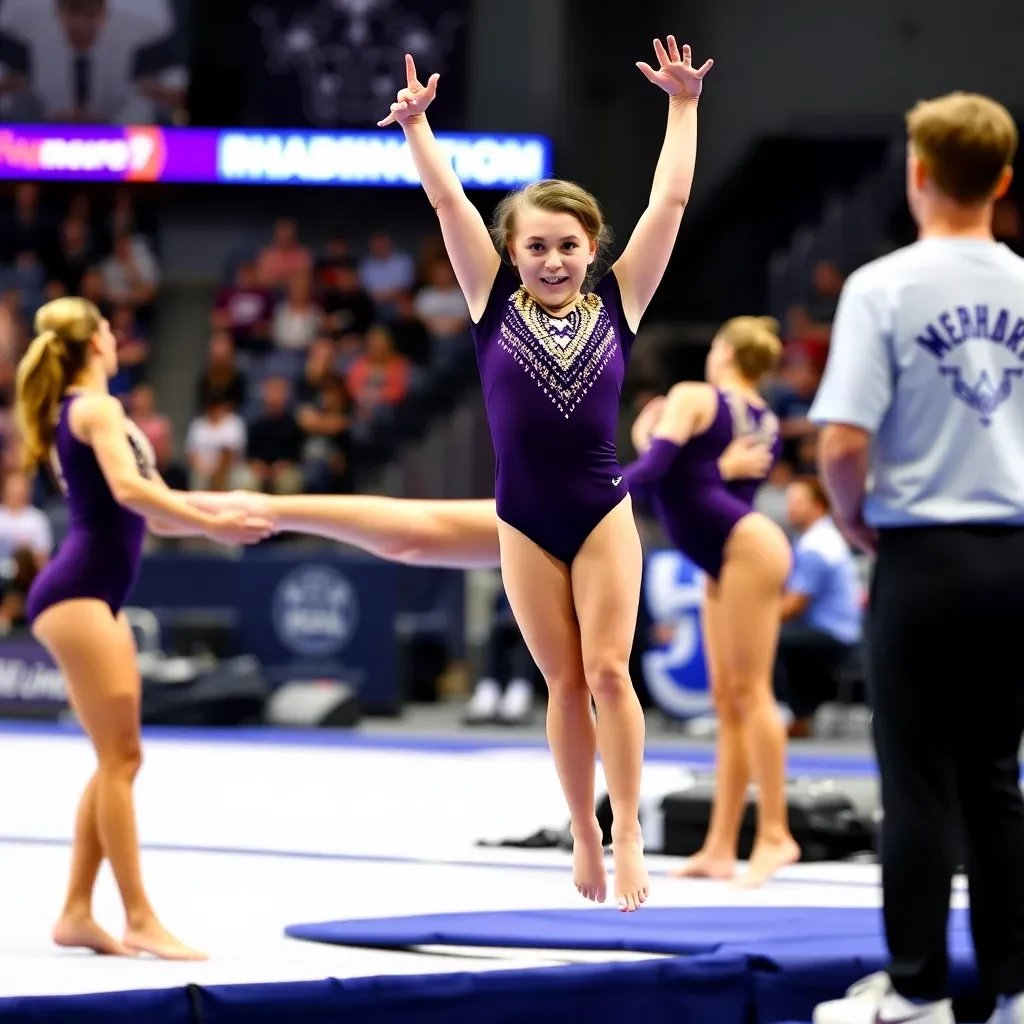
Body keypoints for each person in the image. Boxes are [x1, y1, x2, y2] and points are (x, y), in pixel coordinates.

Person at [372, 40, 711, 912]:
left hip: (601, 513)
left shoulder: (620, 304)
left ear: (593, 248)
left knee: (608, 673)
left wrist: (683, 108)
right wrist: (418, 128)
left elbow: (668, 202)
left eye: (567, 246)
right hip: (521, 519)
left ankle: (628, 825)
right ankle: (582, 829)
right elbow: (447, 198)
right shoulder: (488, 303)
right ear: (510, 253)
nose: (553, 261)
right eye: (536, 248)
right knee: (561, 686)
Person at [807, 92, 1024, 1024]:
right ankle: (1016, 993)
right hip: (1015, 556)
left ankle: (919, 991)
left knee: (920, 781)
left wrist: (854, 520)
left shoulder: (885, 286)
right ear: (1004, 182)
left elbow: (843, 442)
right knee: (995, 781)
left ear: (918, 175)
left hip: (924, 557)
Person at [14, 297, 271, 960]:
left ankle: (75, 911)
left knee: (113, 760)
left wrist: (221, 513)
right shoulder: (93, 408)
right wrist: (215, 524)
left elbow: (157, 512)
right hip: (76, 593)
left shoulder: (91, 410)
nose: (113, 332)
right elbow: (131, 494)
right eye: (105, 325)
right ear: (93, 342)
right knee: (123, 759)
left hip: (92, 594)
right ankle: (138, 918)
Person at [622, 316, 799, 887]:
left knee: (751, 693)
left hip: (743, 549)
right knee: (728, 701)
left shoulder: (696, 395)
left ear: (722, 351)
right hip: (732, 551)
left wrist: (593, 486)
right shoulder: (764, 418)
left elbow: (654, 476)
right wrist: (700, 463)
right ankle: (720, 845)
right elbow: (714, 486)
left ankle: (776, 834)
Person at [775, 476, 863, 738]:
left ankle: (787, 715)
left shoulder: (817, 545)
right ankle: (799, 714)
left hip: (834, 634)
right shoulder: (820, 538)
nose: (790, 508)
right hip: (834, 630)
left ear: (818, 506)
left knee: (766, 638)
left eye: (798, 502)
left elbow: (794, 606)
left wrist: (753, 620)